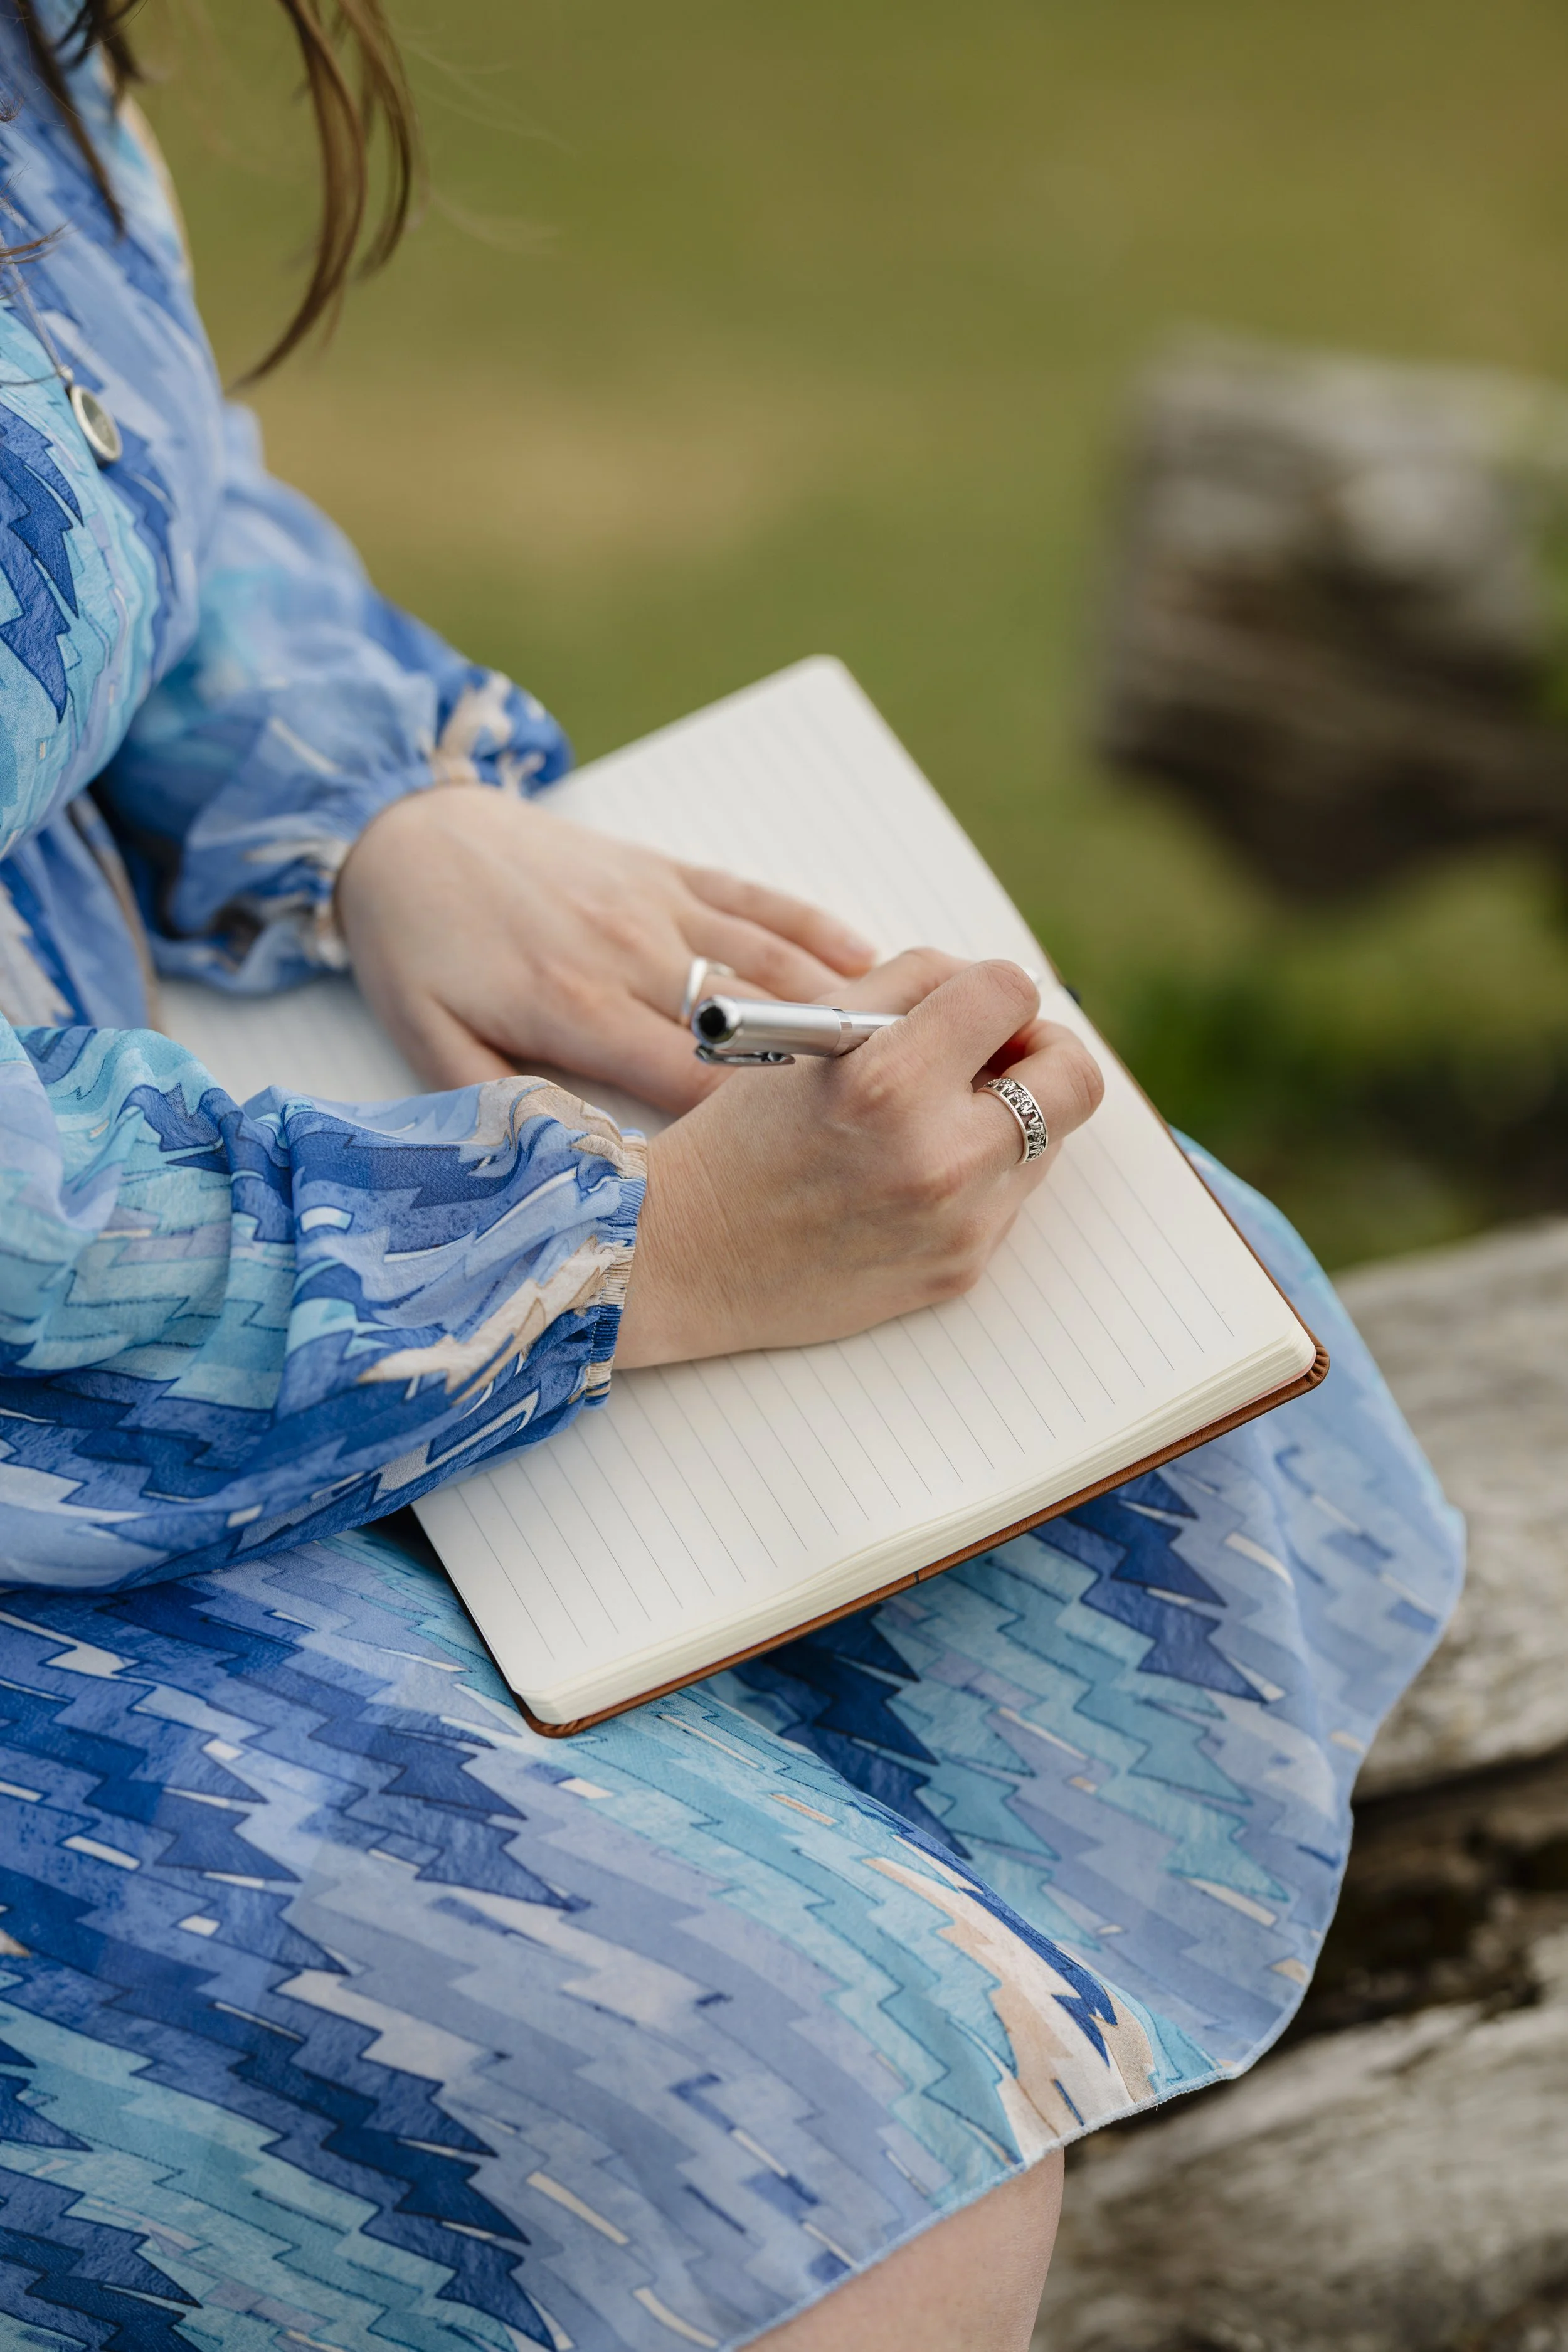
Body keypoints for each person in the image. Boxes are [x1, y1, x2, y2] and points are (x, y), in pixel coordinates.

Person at [0, 5, 1463, 2348]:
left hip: (143, 1198)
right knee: (807, 2155)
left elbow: (116, 439)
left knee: (1122, 1475)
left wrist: (381, 803)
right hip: (70, 1329)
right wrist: (621, 1247)